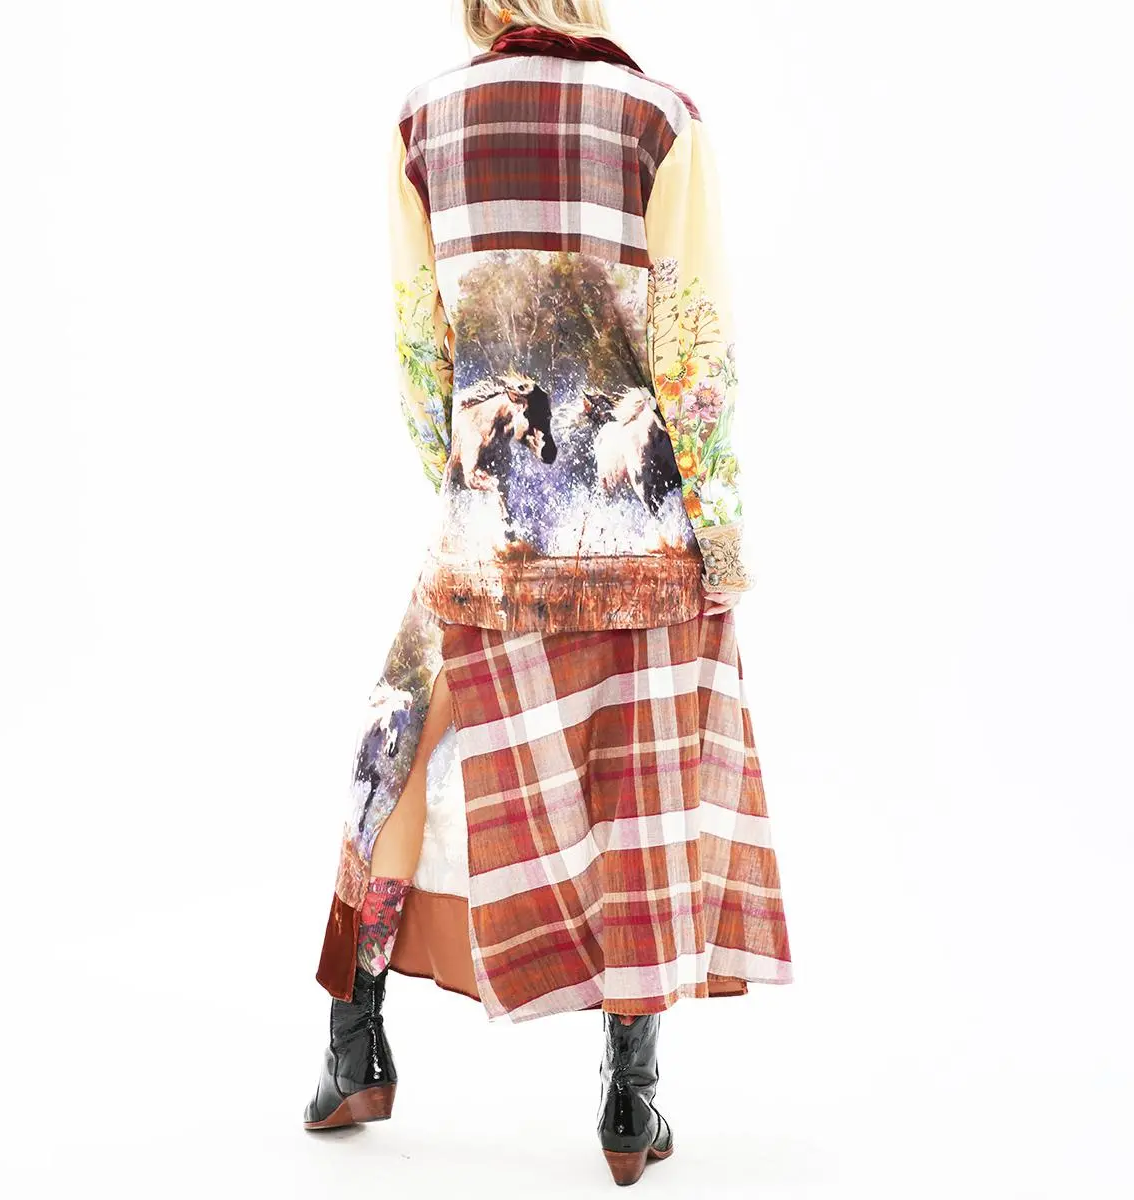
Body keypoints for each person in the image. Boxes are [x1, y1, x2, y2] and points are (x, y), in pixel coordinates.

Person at [302, 0, 793, 1185]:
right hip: (640, 538)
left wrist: (466, 486)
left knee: (396, 750)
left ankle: (353, 1047)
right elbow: (694, 353)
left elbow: (420, 353)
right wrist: (720, 532)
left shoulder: (423, 123)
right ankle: (632, 1099)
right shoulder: (661, 122)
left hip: (493, 530)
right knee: (641, 788)